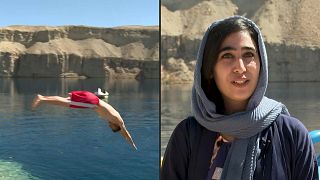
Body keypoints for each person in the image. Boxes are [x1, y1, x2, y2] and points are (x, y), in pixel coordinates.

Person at [161, 16, 318, 180]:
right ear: (209, 69)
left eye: (249, 54)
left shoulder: (291, 135)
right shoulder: (187, 136)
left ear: (261, 64)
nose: (240, 68)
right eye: (227, 56)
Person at [32, 91, 137, 150]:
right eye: (112, 127)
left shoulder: (114, 118)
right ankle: (42, 99)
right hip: (91, 102)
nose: (109, 126)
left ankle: (43, 97)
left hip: (91, 97)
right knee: (66, 103)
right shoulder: (119, 121)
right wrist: (132, 144)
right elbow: (125, 133)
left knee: (66, 100)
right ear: (116, 126)